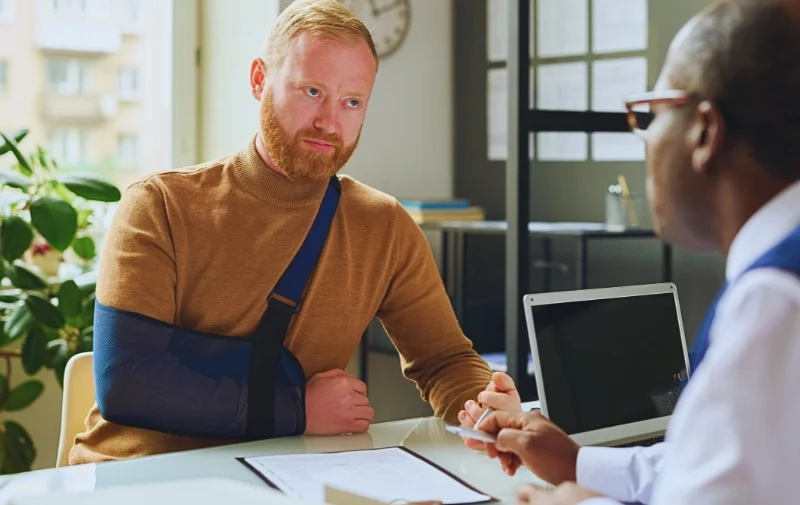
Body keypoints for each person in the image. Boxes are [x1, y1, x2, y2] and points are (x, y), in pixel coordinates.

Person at [68, 0, 520, 465]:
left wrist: (483, 406)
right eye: (311, 91)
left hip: (282, 476)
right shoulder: (159, 205)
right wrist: (296, 411)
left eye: (352, 102)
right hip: (136, 477)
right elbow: (128, 382)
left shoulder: (383, 225)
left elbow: (445, 360)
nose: (330, 121)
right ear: (259, 80)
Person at [461, 0, 800, 503]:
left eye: (649, 115)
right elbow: (714, 461)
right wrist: (576, 462)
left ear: (704, 133)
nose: (642, 139)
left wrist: (576, 501)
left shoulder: (774, 302)